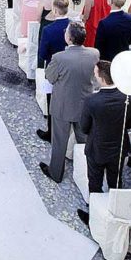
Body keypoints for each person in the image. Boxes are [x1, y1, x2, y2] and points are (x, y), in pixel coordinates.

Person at [75, 60, 131, 224]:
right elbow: (130, 123)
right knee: (116, 180)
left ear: (101, 78)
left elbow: (84, 127)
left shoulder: (92, 101)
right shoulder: (129, 97)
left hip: (97, 148)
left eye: (95, 73)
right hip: (119, 146)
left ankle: (94, 216)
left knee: (94, 182)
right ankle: (116, 213)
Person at [39, 22, 99, 183]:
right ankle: (88, 175)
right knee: (84, 141)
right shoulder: (94, 54)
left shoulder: (59, 58)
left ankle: (56, 172)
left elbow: (50, 77)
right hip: (84, 105)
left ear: (70, 38)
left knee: (59, 142)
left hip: (63, 106)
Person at [37, 0, 72, 69]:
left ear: (55, 10)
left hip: (53, 65)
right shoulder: (74, 24)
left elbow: (43, 54)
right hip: (71, 65)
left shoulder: (48, 30)